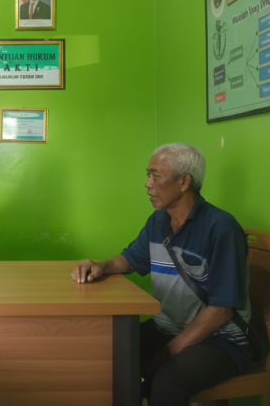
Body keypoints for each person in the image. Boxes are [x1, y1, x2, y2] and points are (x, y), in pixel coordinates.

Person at [71, 143, 251, 406]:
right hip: (167, 327)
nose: (147, 184)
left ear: (183, 182)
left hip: (220, 339)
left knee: (165, 382)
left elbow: (222, 311)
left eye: (155, 176)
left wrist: (164, 354)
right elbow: (131, 259)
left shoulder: (221, 228)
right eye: (148, 175)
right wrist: (101, 266)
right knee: (105, 353)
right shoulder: (158, 221)